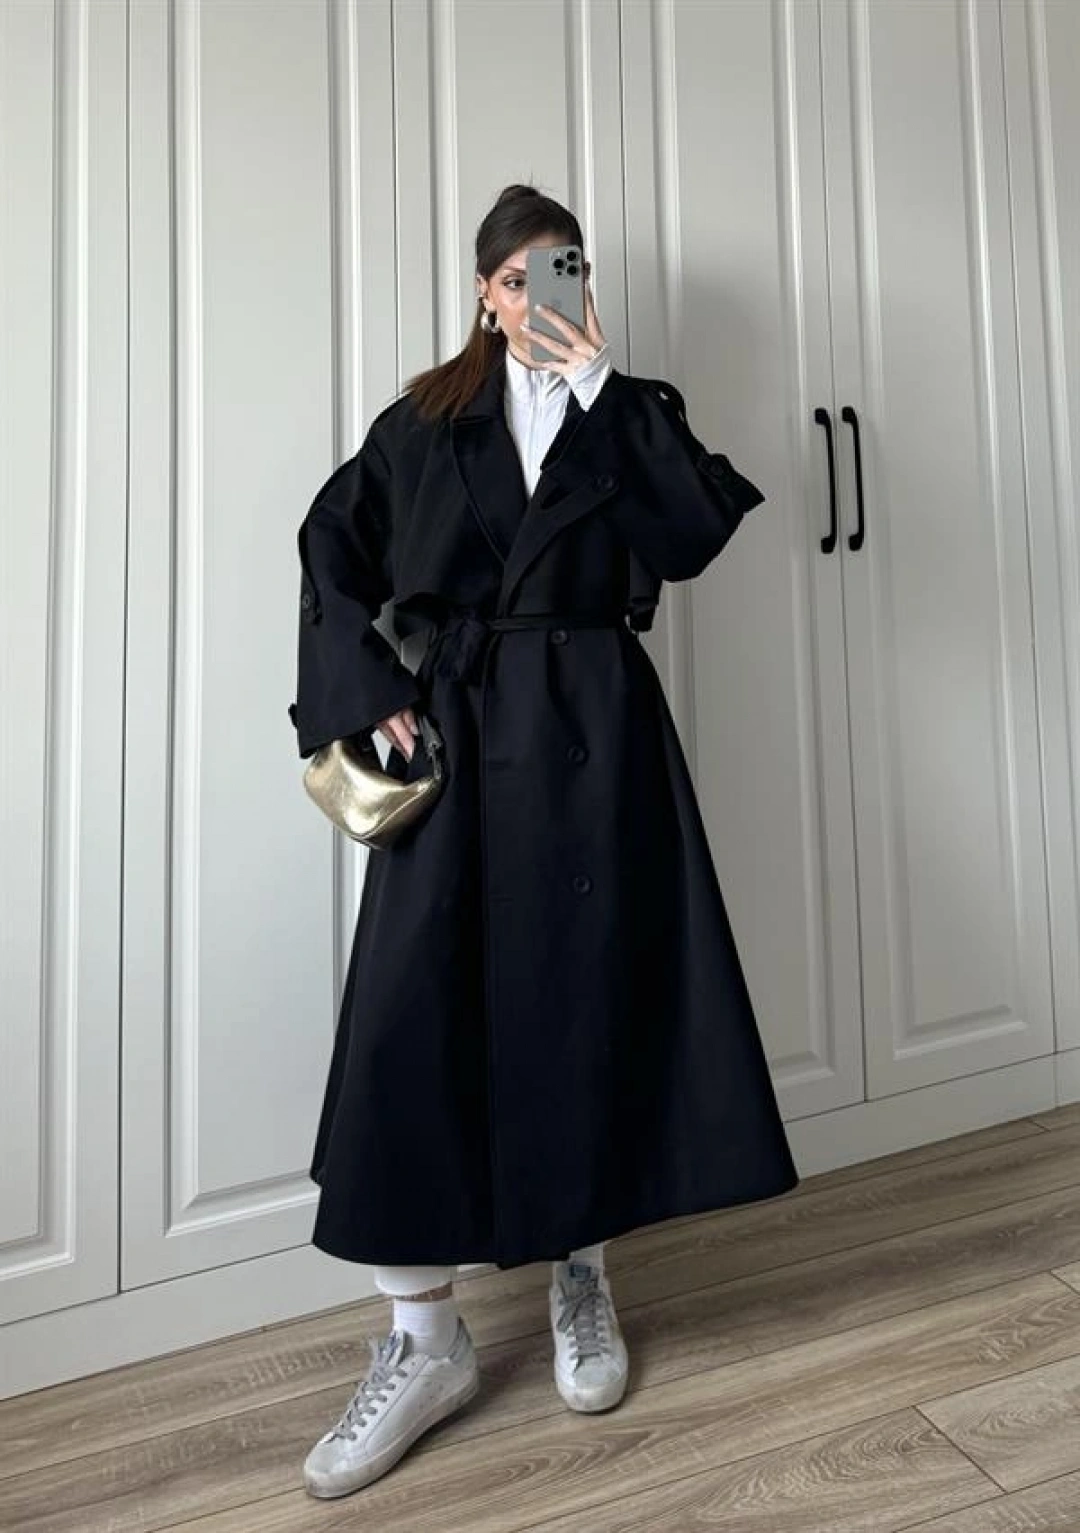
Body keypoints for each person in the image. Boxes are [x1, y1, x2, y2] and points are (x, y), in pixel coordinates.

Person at [289, 183, 800, 1500]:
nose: (536, 298)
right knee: (410, 1020)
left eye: (560, 271)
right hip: (459, 743)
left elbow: (691, 538)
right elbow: (329, 549)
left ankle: (584, 1274)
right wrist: (371, 691)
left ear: (584, 284)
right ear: (483, 294)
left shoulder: (631, 411)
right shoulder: (422, 425)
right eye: (515, 278)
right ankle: (424, 1341)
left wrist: (604, 393)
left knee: (590, 995)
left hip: (594, 738)